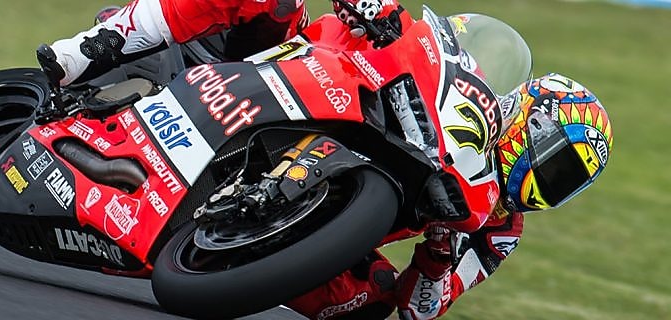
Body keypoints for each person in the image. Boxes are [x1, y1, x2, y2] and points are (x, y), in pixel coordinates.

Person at [37, 1, 615, 319]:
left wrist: (440, 257)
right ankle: (100, 45)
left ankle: (235, 243)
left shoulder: (498, 230)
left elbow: (424, 309)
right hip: (288, 64)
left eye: (564, 185)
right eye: (554, 163)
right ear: (525, 124)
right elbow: (419, 40)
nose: (546, 185)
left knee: (370, 305)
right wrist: (377, 12)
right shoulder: (469, 105)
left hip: (336, 205)